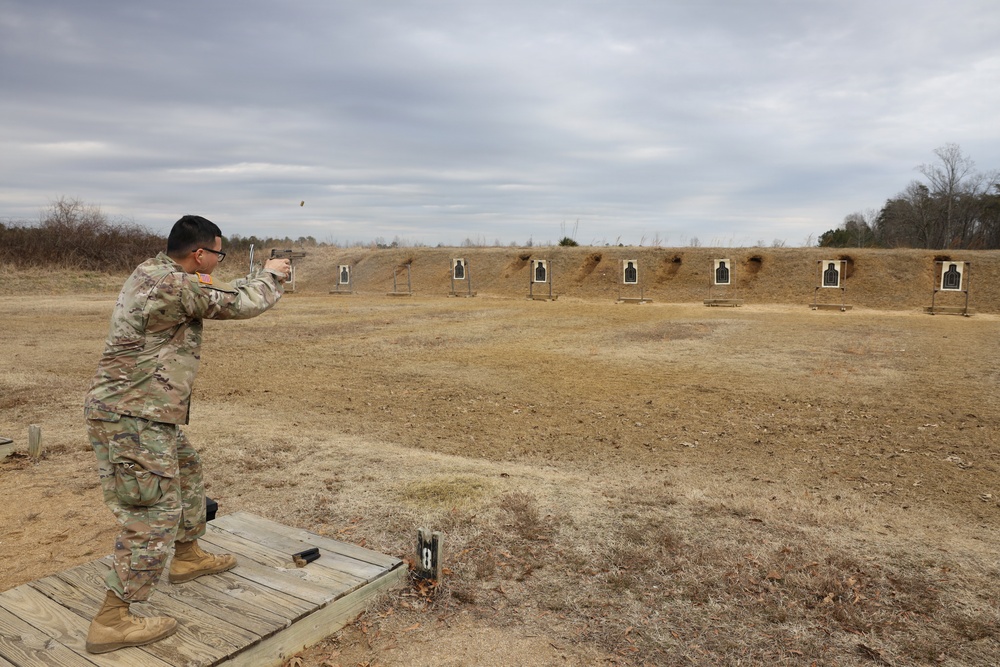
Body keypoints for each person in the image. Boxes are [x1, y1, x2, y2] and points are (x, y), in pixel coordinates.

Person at [83, 215, 291, 654]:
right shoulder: (174, 286)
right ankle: (112, 618)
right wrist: (271, 277)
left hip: (145, 413)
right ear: (199, 254)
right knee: (152, 509)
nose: (218, 261)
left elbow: (217, 289)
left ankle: (188, 554)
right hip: (133, 417)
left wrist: (257, 274)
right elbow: (241, 303)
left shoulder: (155, 272)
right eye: (217, 254)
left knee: (187, 469)